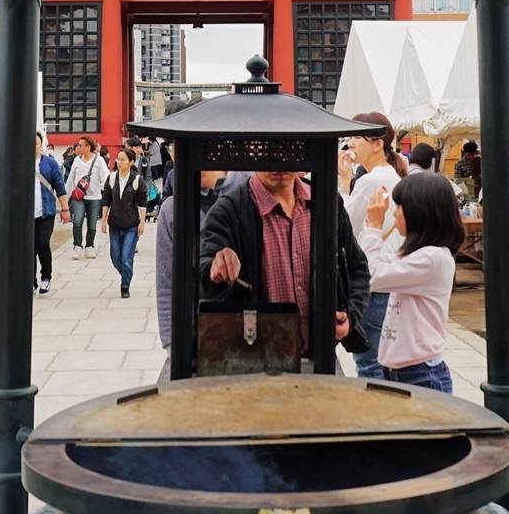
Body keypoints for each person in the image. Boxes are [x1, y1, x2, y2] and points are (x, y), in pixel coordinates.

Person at [201, 168, 371, 367]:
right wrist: (217, 269)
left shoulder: (326, 201)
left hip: (319, 361)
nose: (278, 161)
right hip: (256, 362)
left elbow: (357, 268)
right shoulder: (230, 210)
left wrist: (350, 316)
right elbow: (203, 274)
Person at [359, 173, 463, 392]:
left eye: (400, 207)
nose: (395, 213)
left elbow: (371, 275)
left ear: (420, 212)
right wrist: (370, 226)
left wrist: (374, 227)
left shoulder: (432, 258)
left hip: (419, 374)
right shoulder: (417, 255)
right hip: (400, 371)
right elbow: (365, 264)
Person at [342, 111, 408, 380]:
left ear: (377, 143)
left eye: (355, 137)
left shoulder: (371, 180)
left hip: (372, 281)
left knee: (369, 364)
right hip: (389, 277)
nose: (350, 144)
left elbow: (345, 223)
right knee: (386, 361)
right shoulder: (392, 174)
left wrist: (344, 181)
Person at [155, 168, 231, 352]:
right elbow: (166, 282)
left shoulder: (244, 198)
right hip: (192, 329)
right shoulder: (173, 209)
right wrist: (170, 341)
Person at [102, 146, 150, 298]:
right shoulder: (111, 178)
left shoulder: (137, 180)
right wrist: (103, 220)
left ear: (131, 162)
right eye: (118, 159)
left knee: (126, 257)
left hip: (131, 225)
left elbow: (143, 203)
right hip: (114, 224)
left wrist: (142, 222)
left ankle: (125, 285)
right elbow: (106, 201)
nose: (119, 162)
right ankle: (126, 274)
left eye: (123, 159)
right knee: (115, 257)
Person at [63, 139, 108, 259]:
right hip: (79, 197)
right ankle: (77, 246)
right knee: (77, 221)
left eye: (81, 145)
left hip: (94, 197)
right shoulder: (77, 160)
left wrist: (107, 194)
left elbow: (105, 178)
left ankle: (89, 246)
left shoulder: (99, 160)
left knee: (92, 223)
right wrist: (64, 198)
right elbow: (71, 179)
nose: (78, 147)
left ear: (88, 147)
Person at [34, 135, 65, 295]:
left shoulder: (50, 163)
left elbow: (60, 187)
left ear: (42, 145)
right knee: (28, 248)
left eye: (36, 143)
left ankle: (46, 277)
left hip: (46, 212)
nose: (33, 146)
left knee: (42, 243)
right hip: (25, 215)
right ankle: (30, 281)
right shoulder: (19, 162)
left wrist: (65, 210)